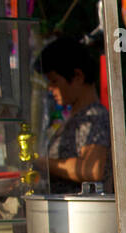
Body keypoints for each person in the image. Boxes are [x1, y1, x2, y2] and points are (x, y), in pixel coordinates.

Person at [34, 37, 111, 193]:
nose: (50, 88)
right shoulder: (75, 117)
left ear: (78, 77)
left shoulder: (95, 117)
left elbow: (93, 169)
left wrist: (43, 163)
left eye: (55, 81)